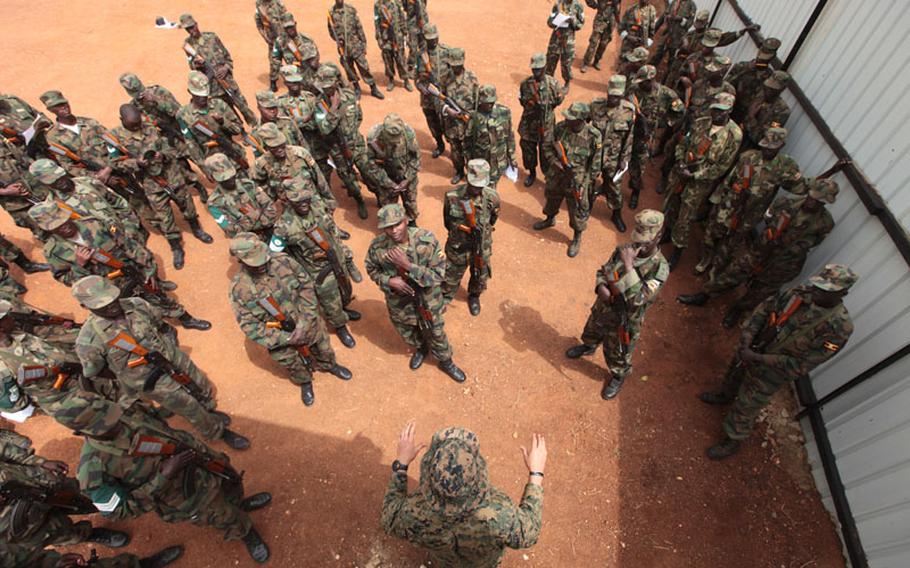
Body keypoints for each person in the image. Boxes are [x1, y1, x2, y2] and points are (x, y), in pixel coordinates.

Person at [75, 398, 272, 563]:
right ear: (86, 432)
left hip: (199, 457)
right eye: (107, 425)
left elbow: (157, 421)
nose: (117, 422)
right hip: (184, 494)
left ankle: (239, 505)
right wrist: (163, 476)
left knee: (230, 482)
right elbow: (120, 511)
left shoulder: (117, 410)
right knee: (221, 515)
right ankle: (245, 532)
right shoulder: (92, 472)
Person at [71, 275, 248, 450]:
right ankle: (216, 431)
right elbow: (95, 371)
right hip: (151, 380)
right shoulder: (89, 341)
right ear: (84, 306)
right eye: (102, 305)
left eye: (113, 299)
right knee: (188, 405)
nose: (112, 306)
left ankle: (209, 408)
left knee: (199, 382)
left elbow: (158, 322)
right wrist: (128, 375)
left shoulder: (136, 304)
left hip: (171, 357)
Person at [700, 265, 857, 460]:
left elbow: (803, 364)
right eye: (818, 285)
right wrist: (748, 337)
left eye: (826, 290)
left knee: (749, 403)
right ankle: (725, 395)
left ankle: (733, 439)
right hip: (754, 348)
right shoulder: (798, 294)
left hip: (774, 369)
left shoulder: (839, 327)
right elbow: (765, 309)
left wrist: (759, 358)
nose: (817, 291)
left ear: (843, 293)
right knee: (735, 373)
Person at [0, 428, 182, 568]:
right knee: (62, 533)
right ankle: (90, 534)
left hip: (38, 485)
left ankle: (117, 508)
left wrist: (38, 462)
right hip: (20, 528)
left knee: (84, 496)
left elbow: (5, 450)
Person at [677, 176, 840, 328]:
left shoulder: (825, 223)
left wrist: (790, 245)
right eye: (813, 197)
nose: (814, 202)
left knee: (760, 292)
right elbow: (768, 219)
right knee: (733, 273)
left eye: (820, 201)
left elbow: (814, 242)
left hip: (784, 263)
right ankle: (704, 295)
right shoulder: (786, 203)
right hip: (760, 250)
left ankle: (737, 309)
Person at [30, 200, 212, 331]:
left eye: (64, 221)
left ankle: (185, 319)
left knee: (158, 296)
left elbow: (128, 244)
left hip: (132, 271)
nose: (64, 228)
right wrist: (79, 265)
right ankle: (160, 328)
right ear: (49, 230)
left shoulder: (94, 223)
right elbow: (64, 278)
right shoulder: (53, 252)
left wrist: (150, 269)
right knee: (131, 313)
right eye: (57, 227)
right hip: (107, 288)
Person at [381, 422, 546, 566]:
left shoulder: (413, 512)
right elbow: (529, 534)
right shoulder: (501, 515)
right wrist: (536, 474)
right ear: (477, 473)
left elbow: (389, 519)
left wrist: (401, 464)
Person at [228, 233, 352, 406]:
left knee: (323, 347)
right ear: (240, 261)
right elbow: (250, 326)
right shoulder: (240, 290)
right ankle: (305, 381)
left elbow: (306, 285)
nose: (263, 264)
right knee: (294, 364)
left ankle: (329, 365)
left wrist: (306, 320)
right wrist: (287, 338)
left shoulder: (283, 261)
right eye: (255, 263)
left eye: (263, 258)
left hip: (308, 323)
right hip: (281, 340)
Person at [565, 210, 668, 399]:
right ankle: (588, 346)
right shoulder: (624, 249)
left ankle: (618, 376)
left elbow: (639, 299)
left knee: (619, 352)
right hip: (604, 307)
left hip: (625, 319)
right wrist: (601, 287)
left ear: (659, 235)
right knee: (592, 330)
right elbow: (605, 270)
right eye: (638, 237)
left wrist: (629, 266)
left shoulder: (659, 268)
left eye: (646, 240)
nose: (640, 244)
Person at [365, 204, 466, 382]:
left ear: (406, 220)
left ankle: (445, 361)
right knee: (406, 328)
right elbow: (371, 268)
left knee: (435, 331)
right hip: (399, 301)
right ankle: (421, 348)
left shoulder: (426, 240)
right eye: (388, 227)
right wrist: (387, 281)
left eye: (398, 224)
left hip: (427, 298)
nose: (394, 230)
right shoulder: (377, 247)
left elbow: (437, 276)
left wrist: (408, 266)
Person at [110, 103, 213, 269]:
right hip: (151, 184)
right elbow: (114, 164)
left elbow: (172, 150)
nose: (138, 126)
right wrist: (136, 163)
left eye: (138, 122)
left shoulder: (151, 127)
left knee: (187, 205)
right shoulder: (115, 138)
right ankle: (176, 246)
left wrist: (163, 155)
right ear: (122, 120)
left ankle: (196, 229)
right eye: (133, 124)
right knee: (164, 217)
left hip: (171, 175)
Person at [694, 126, 801, 275]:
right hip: (729, 205)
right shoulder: (748, 157)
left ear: (782, 146)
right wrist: (717, 197)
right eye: (766, 146)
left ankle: (715, 268)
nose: (767, 150)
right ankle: (706, 259)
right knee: (712, 233)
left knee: (731, 244)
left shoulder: (785, 166)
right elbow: (730, 179)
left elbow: (799, 187)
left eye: (772, 148)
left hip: (750, 214)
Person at [268, 177, 360, 349]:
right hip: (318, 271)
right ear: (288, 200)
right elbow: (274, 254)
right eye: (297, 200)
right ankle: (340, 325)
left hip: (337, 259)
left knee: (344, 289)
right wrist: (297, 274)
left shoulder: (317, 206)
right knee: (330, 301)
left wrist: (344, 254)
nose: (303, 203)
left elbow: (332, 231)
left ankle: (344, 309)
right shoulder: (284, 227)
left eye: (306, 198)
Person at [662, 92, 742, 271]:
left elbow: (722, 166)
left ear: (729, 111)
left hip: (699, 182)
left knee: (686, 215)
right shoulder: (701, 122)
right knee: (671, 203)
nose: (717, 114)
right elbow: (684, 143)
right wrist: (680, 160)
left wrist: (696, 175)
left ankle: (677, 250)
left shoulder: (734, 135)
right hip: (681, 172)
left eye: (722, 111)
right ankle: (667, 232)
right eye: (715, 110)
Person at [532, 102, 602, 258]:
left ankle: (577, 237)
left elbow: (595, 164)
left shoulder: (594, 136)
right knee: (552, 198)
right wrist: (554, 162)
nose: (567, 120)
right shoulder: (560, 128)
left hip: (577, 180)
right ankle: (550, 219)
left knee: (577, 208)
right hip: (557, 175)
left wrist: (586, 184)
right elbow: (548, 147)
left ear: (582, 120)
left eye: (572, 118)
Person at [441, 159, 500, 316]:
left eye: (480, 185)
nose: (476, 189)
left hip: (481, 246)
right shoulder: (452, 196)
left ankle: (474, 296)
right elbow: (447, 221)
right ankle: (445, 297)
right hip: (458, 246)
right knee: (450, 276)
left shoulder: (492, 198)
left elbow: (493, 219)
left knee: (480, 274)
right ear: (467, 179)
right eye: (474, 184)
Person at [311, 65, 370, 218]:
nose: (327, 90)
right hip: (337, 150)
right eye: (324, 88)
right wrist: (333, 109)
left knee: (369, 172)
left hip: (356, 143)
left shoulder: (350, 96)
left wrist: (351, 133)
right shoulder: (319, 105)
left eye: (329, 87)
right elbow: (324, 129)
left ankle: (377, 194)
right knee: (348, 180)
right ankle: (360, 201)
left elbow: (359, 116)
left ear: (336, 83)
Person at [180, 13, 258, 125]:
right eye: (188, 29)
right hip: (213, 86)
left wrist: (226, 68)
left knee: (242, 104)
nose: (191, 31)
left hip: (226, 80)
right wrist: (197, 65)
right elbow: (192, 68)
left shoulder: (212, 37)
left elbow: (227, 57)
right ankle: (241, 131)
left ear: (196, 24)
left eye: (192, 27)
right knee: (227, 110)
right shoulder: (188, 46)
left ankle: (255, 126)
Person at [627, 65, 683, 210]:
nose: (640, 84)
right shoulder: (634, 90)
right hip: (629, 130)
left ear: (652, 80)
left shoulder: (667, 94)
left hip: (647, 134)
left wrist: (664, 124)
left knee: (639, 163)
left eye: (643, 81)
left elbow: (680, 112)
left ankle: (635, 191)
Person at [588, 75, 635, 232]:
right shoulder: (596, 106)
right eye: (611, 95)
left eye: (617, 96)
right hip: (594, 155)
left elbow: (629, 138)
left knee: (614, 187)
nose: (613, 99)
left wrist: (624, 159)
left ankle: (616, 214)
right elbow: (584, 125)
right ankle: (585, 207)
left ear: (622, 95)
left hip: (614, 158)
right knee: (589, 182)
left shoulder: (628, 112)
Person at [177, 71, 248, 171]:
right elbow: (191, 143)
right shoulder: (183, 115)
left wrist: (223, 122)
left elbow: (237, 130)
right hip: (214, 164)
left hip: (234, 155)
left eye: (205, 94)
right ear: (190, 92)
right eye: (198, 95)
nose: (203, 98)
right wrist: (204, 167)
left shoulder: (219, 104)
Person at [205, 153, 278, 240]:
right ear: (212, 178)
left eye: (231, 175)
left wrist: (253, 220)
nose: (229, 180)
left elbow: (271, 209)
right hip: (251, 241)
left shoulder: (248, 184)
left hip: (271, 229)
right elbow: (232, 232)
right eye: (223, 178)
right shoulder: (214, 203)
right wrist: (255, 216)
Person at [518, 53, 565, 188]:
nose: (536, 72)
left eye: (539, 69)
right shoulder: (525, 84)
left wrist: (544, 105)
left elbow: (558, 101)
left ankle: (546, 175)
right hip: (529, 124)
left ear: (545, 68)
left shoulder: (553, 84)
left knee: (547, 153)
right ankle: (532, 173)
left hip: (546, 124)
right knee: (528, 151)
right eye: (534, 69)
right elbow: (523, 102)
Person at [365, 113, 421, 222]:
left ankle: (411, 222)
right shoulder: (374, 137)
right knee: (388, 208)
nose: (394, 142)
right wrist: (389, 184)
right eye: (390, 139)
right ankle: (392, 226)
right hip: (386, 177)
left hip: (406, 175)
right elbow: (372, 164)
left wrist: (407, 179)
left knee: (410, 202)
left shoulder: (408, 134)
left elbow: (416, 158)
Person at [327, 0, 385, 99]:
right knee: (349, 69)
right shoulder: (331, 13)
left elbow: (359, 27)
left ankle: (373, 88)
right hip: (343, 49)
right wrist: (337, 40)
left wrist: (363, 44)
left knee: (364, 68)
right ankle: (357, 88)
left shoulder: (350, 10)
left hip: (356, 46)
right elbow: (331, 30)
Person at [464, 85, 516, 187]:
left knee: (492, 187)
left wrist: (512, 158)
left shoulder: (504, 113)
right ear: (481, 101)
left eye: (492, 102)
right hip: (481, 163)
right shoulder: (474, 117)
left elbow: (510, 136)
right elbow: (467, 141)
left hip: (498, 162)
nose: (490, 105)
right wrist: (469, 162)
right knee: (479, 187)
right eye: (487, 103)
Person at [440, 48, 478, 185]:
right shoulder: (445, 78)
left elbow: (478, 103)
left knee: (470, 151)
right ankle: (459, 171)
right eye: (453, 65)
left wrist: (470, 115)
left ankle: (472, 175)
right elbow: (439, 99)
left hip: (467, 124)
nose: (455, 68)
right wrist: (448, 110)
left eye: (458, 65)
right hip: (452, 123)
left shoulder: (472, 79)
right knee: (455, 151)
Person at [414, 24, 451, 159]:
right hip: (428, 99)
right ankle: (440, 145)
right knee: (433, 124)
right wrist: (421, 87)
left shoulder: (446, 52)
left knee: (448, 125)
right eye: (429, 39)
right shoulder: (421, 55)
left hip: (443, 97)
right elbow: (416, 77)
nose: (433, 41)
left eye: (434, 38)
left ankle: (453, 148)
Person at [728, 37, 781, 123]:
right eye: (760, 58)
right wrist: (745, 70)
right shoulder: (742, 66)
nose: (761, 61)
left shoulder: (770, 78)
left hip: (745, 117)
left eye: (765, 60)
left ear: (772, 58)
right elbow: (726, 83)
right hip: (729, 106)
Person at [742, 71, 792, 149]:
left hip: (752, 146)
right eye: (767, 87)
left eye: (773, 89)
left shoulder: (782, 111)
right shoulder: (759, 95)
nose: (768, 91)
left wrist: (751, 117)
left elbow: (764, 138)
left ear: (782, 89)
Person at [545, 0, 585, 88]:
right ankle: (549, 83)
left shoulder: (578, 6)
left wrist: (572, 21)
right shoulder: (558, 4)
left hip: (568, 41)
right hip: (556, 39)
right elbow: (549, 22)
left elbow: (580, 24)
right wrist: (556, 20)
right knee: (550, 61)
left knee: (566, 64)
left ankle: (567, 83)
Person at [374, 0, 412, 92]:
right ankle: (391, 79)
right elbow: (377, 22)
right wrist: (379, 38)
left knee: (401, 59)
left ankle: (406, 80)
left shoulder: (397, 3)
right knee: (388, 60)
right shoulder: (378, 5)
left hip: (397, 36)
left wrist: (405, 34)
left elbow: (402, 19)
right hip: (385, 37)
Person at [254, 0, 290, 92]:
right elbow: (259, 23)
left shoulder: (278, 3)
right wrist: (265, 36)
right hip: (272, 40)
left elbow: (287, 17)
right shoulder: (259, 5)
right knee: (274, 60)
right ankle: (273, 83)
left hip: (285, 38)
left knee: (291, 59)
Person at [279, 13, 321, 91]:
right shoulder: (281, 43)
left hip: (314, 78)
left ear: (295, 24)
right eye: (287, 28)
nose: (290, 29)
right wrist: (286, 75)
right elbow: (276, 61)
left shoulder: (306, 39)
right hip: (298, 82)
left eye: (291, 26)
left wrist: (315, 62)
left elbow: (316, 56)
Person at [649, 0, 696, 68]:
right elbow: (664, 16)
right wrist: (653, 31)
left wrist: (681, 19)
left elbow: (689, 24)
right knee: (657, 55)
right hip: (667, 35)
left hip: (677, 39)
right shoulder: (674, 2)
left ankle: (666, 77)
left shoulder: (691, 5)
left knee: (672, 62)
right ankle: (649, 73)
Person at [581, 0, 620, 73]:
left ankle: (597, 61)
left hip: (611, 21)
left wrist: (618, 20)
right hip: (601, 19)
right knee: (593, 42)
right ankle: (586, 62)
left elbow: (618, 6)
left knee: (604, 43)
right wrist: (595, 5)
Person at [403, 0, 430, 80]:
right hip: (412, 24)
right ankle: (411, 67)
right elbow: (404, 6)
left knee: (424, 45)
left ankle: (421, 66)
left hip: (423, 23)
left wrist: (422, 19)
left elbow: (424, 4)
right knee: (413, 47)